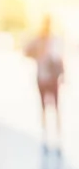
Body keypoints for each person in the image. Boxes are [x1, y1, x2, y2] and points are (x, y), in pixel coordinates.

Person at [25, 15, 65, 152]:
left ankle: (58, 139)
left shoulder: (55, 40)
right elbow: (26, 51)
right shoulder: (38, 40)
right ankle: (45, 137)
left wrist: (63, 74)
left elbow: (60, 58)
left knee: (56, 109)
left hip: (53, 79)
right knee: (44, 109)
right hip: (42, 79)